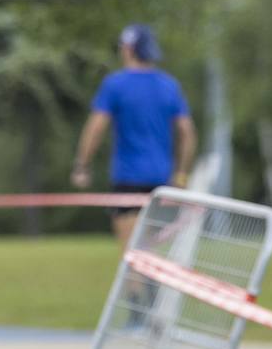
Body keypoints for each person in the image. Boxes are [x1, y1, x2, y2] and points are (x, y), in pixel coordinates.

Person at [70, 23, 197, 252]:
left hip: (128, 179)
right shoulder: (169, 85)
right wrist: (182, 175)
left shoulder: (116, 84)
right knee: (148, 252)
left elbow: (95, 128)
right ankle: (149, 287)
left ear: (128, 49)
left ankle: (141, 289)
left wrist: (82, 165)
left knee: (131, 255)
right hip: (161, 181)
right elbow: (187, 132)